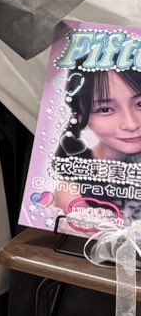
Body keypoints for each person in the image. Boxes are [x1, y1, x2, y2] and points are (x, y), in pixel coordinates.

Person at [51, 67, 141, 231]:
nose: (131, 124)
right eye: (105, 109)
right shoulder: (73, 192)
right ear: (81, 117)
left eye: (140, 104)